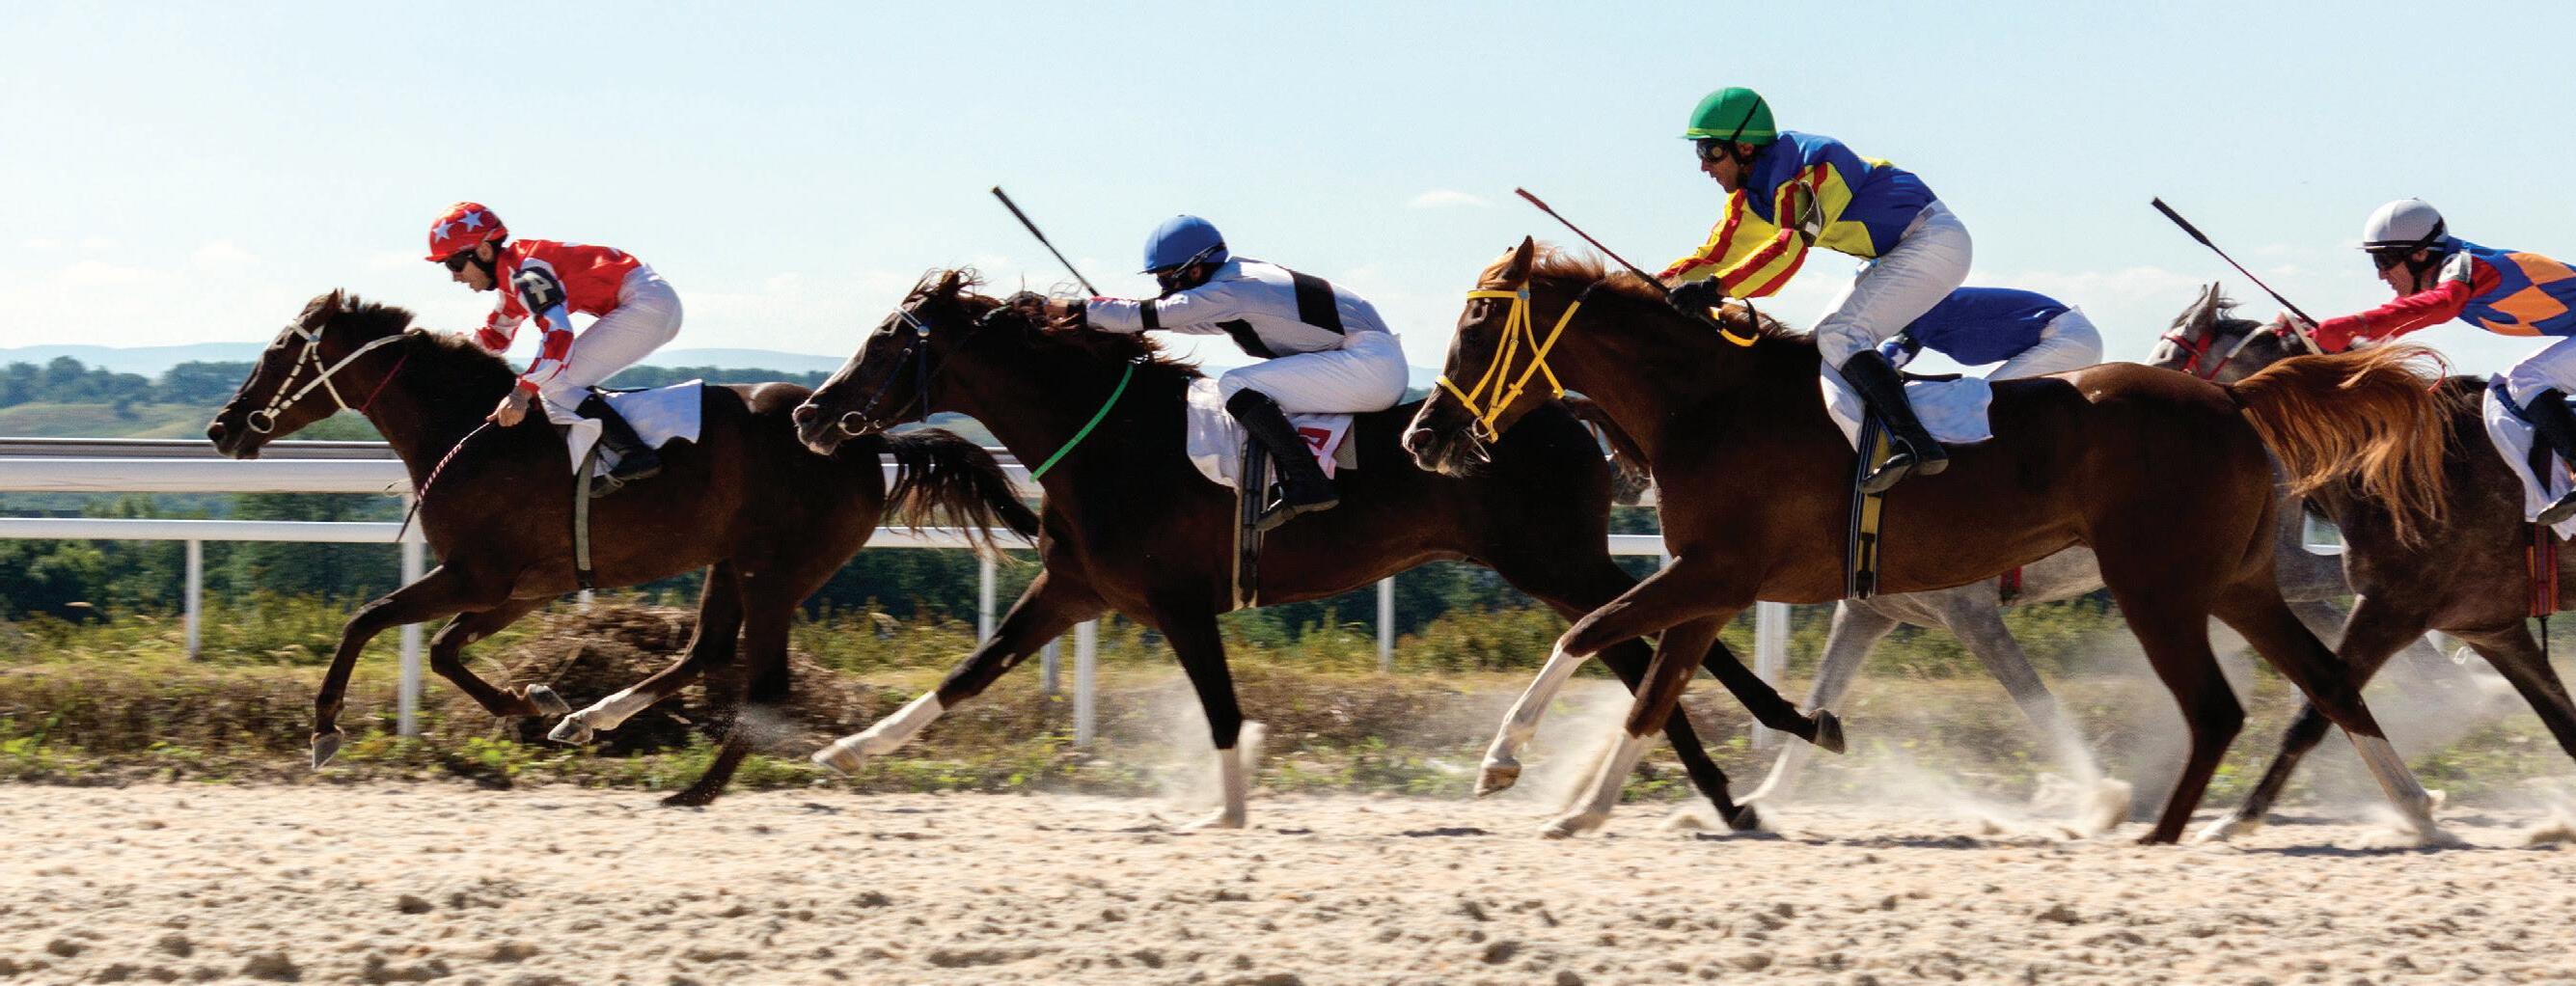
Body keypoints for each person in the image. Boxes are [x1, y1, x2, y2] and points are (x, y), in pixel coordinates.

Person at [1658, 87, 1969, 492]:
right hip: (1896, 252)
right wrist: (1643, 287)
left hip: (1934, 241)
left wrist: (1715, 289)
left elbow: (1787, 250)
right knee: (1817, 346)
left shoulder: (1811, 171)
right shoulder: (1753, 194)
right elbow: (1714, 256)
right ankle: (1868, 450)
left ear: (1745, 148)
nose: (1704, 166)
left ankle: (1915, 443)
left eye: (1710, 151)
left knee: (1841, 335)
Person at [1044, 215, 1408, 530]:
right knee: (1245, 383)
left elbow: (1158, 313)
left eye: (1169, 279)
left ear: (1197, 268)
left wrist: (1061, 308)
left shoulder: (1233, 289)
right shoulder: (1236, 281)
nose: (1165, 289)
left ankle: (1308, 481)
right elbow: (1180, 320)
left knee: (1236, 383)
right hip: (1368, 362)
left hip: (1369, 367)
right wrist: (1117, 320)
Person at [2280, 198, 2576, 522]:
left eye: (2385, 260)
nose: (2381, 274)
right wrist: (2315, 335)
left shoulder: (2466, 267)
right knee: (2511, 385)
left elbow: (2439, 306)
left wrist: (2353, 325)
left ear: (2420, 255)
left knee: (2525, 379)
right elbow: (2399, 322)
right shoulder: (2453, 269)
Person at [425, 202, 681, 487]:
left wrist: (521, 392)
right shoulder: (514, 276)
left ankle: (633, 453)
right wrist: (442, 350)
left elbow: (559, 336)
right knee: (554, 381)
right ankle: (617, 453)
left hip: (647, 303)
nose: (455, 276)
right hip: (650, 300)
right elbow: (494, 338)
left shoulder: (526, 274)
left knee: (554, 383)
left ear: (484, 251)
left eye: (455, 264)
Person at [1899, 287, 2103, 380]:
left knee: (1982, 404)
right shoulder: (1919, 312)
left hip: (2066, 338)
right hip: (2073, 338)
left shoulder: (1921, 309)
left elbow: (1891, 356)